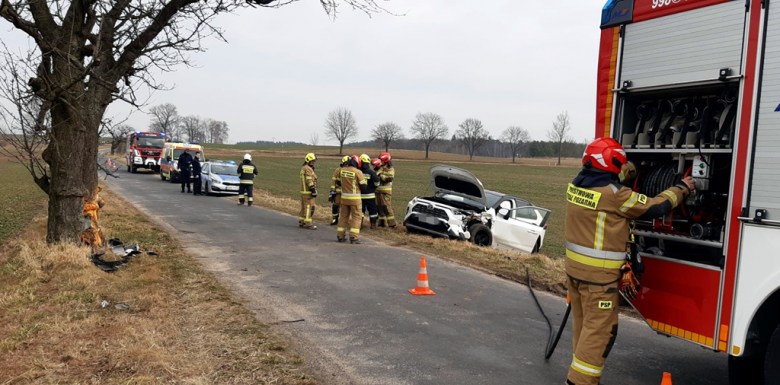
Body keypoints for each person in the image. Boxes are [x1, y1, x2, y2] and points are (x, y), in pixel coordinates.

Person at [564, 137, 694, 385]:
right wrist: (683, 187)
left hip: (576, 275)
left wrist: (638, 166)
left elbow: (612, 175)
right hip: (599, 283)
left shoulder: (576, 186)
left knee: (583, 330)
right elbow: (655, 206)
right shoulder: (617, 196)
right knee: (599, 336)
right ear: (612, 164)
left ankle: (579, 376)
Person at [337, 155, 367, 244]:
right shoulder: (358, 172)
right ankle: (354, 237)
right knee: (356, 217)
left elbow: (338, 182)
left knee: (343, 216)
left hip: (344, 198)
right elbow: (364, 186)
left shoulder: (342, 170)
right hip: (355, 199)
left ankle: (340, 236)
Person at [359, 154, 380, 230]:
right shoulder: (371, 172)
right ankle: (373, 225)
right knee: (372, 210)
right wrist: (373, 188)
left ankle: (359, 224)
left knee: (361, 211)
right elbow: (377, 182)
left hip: (360, 195)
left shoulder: (358, 172)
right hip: (370, 195)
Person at [376, 152, 396, 228]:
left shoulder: (390, 169)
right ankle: (381, 223)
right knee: (379, 207)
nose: (380, 161)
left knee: (386, 207)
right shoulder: (379, 167)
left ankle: (392, 224)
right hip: (378, 191)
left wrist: (380, 176)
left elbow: (389, 178)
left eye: (381, 160)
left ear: (385, 160)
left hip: (385, 192)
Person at [299, 153, 318, 230]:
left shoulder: (304, 168)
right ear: (308, 161)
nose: (313, 163)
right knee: (308, 208)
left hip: (304, 191)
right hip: (308, 192)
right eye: (312, 161)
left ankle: (302, 221)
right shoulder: (308, 169)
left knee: (304, 207)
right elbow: (309, 180)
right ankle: (308, 223)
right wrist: (313, 190)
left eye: (314, 161)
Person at [330, 156, 350, 226]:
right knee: (336, 206)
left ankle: (344, 220)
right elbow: (333, 181)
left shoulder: (350, 171)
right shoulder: (337, 170)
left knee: (345, 207)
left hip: (347, 193)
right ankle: (335, 218)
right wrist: (332, 192)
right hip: (338, 192)